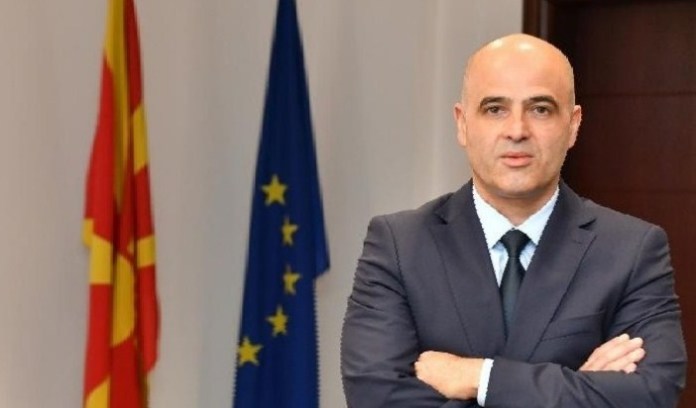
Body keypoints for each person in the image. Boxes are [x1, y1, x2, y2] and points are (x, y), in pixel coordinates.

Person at [340, 33, 687, 407]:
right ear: (462, 124)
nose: (517, 130)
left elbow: (651, 394)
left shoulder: (632, 249)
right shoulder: (399, 245)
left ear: (573, 125)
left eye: (540, 109)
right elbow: (376, 397)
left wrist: (479, 377)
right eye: (494, 109)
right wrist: (579, 389)